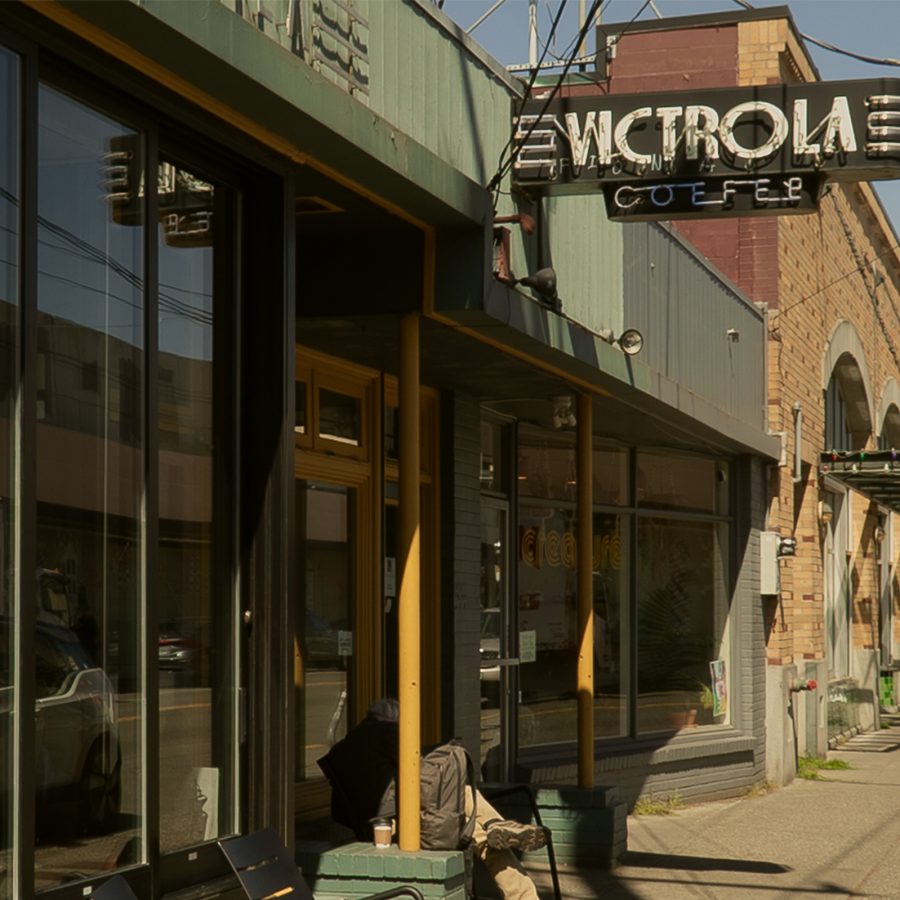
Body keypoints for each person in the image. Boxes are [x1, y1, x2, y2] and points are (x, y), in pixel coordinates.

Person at [318, 698, 547, 900]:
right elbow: (419, 771)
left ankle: (495, 829)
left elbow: (338, 811)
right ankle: (499, 831)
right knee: (472, 816)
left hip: (372, 828)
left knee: (475, 828)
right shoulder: (387, 732)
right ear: (393, 720)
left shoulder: (341, 750)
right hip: (402, 821)